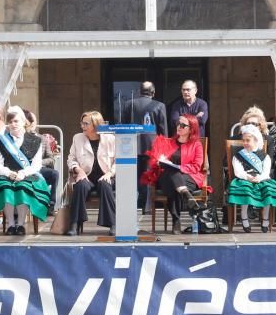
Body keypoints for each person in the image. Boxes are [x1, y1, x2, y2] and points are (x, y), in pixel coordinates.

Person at [0, 107, 51, 235]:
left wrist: (23, 173)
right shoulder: (1, 140)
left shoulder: (36, 140)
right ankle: (10, 224)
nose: (13, 124)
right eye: (10, 122)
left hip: (27, 174)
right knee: (5, 187)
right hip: (6, 174)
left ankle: (20, 224)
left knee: (22, 187)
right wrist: (8, 173)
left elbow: (36, 165)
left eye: (16, 121)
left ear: (24, 122)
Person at [141, 115, 207, 235]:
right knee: (171, 172)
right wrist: (158, 160)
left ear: (191, 129)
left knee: (175, 179)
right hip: (166, 177)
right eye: (178, 124)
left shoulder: (196, 144)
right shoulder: (168, 142)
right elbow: (158, 162)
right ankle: (186, 195)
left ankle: (176, 220)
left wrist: (179, 168)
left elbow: (197, 166)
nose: (179, 127)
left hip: (189, 177)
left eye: (183, 125)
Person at [228, 124, 276, 233]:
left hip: (261, 179)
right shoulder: (238, 156)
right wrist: (248, 177)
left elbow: (266, 172)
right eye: (243, 140)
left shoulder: (265, 157)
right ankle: (244, 218)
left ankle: (265, 220)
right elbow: (238, 171)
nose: (245, 143)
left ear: (256, 140)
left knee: (268, 191)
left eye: (248, 140)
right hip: (244, 179)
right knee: (245, 190)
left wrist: (259, 178)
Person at [64, 110, 116, 236]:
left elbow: (118, 160)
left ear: (96, 124)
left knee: (105, 185)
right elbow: (71, 158)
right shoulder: (78, 138)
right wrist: (78, 170)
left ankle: (113, 224)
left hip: (105, 175)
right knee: (80, 186)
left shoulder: (110, 138)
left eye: (86, 124)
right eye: (82, 123)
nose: (82, 126)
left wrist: (110, 173)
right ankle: (74, 224)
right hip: (86, 175)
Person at [122, 81, 168, 213]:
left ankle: (133, 204)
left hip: (131, 146)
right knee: (149, 175)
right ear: (153, 92)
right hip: (152, 146)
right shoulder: (160, 105)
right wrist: (164, 149)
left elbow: (124, 126)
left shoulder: (128, 104)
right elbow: (163, 129)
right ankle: (147, 207)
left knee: (133, 176)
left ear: (139, 91)